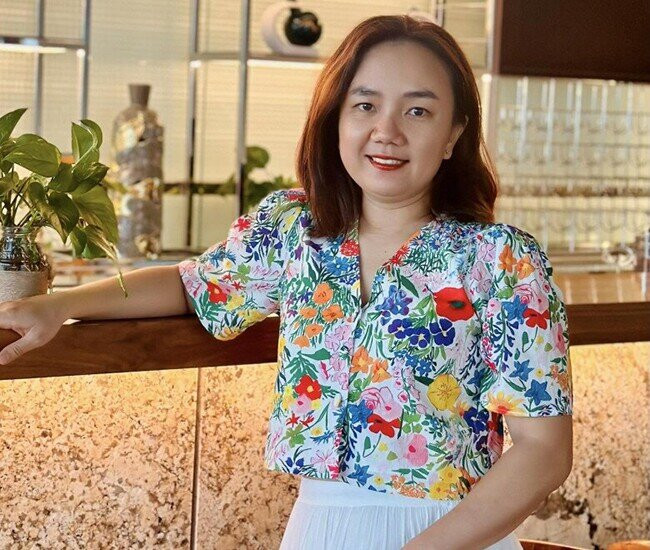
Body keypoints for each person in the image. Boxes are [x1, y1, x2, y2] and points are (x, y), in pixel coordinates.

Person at [0, 15, 573, 550]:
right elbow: (191, 284)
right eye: (365, 105)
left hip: (452, 534)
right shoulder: (292, 229)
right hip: (318, 526)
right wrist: (61, 305)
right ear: (335, 118)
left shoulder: (502, 259)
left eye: (418, 111)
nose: (386, 131)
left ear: (453, 134)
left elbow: (544, 452)